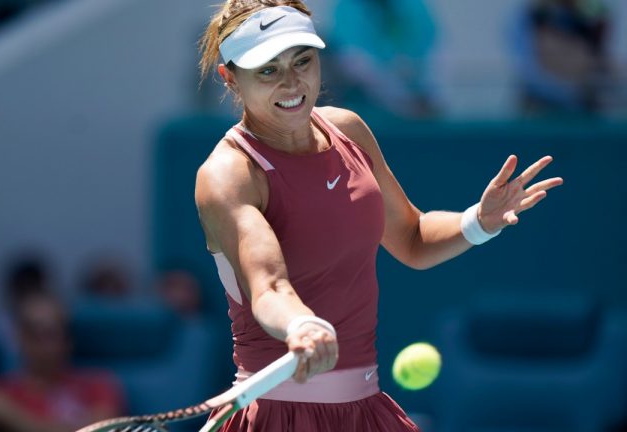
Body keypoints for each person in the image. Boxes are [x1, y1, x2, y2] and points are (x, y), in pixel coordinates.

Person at [194, 1, 564, 430]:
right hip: (278, 416)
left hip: (366, 409)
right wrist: (301, 324)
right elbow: (269, 285)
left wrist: (478, 221)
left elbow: (412, 238)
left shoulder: (347, 130)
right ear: (230, 77)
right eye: (268, 71)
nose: (292, 82)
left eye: (302, 61)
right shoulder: (228, 176)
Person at [0, 292, 127, 432]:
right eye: (36, 334)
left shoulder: (98, 384)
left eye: (54, 334)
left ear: (68, 340)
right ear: (19, 338)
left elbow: (102, 428)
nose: (47, 346)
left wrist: (21, 423)